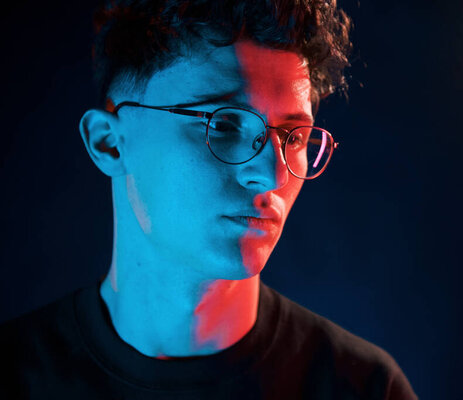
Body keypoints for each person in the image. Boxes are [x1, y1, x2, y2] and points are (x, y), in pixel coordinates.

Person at [0, 0, 418, 398]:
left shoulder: (364, 388)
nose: (270, 174)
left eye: (295, 137)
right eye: (224, 125)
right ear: (110, 143)